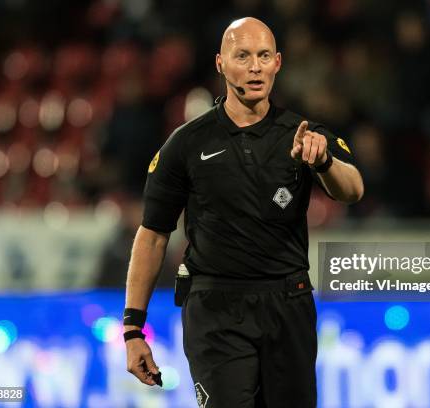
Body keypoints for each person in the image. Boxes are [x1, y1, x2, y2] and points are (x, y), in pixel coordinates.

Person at [123, 17, 364, 408]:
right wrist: (134, 328)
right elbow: (152, 234)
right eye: (243, 56)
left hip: (288, 303)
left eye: (264, 56)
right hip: (215, 308)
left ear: (278, 63)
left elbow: (353, 189)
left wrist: (323, 163)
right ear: (221, 63)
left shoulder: (302, 134)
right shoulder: (185, 144)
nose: (255, 66)